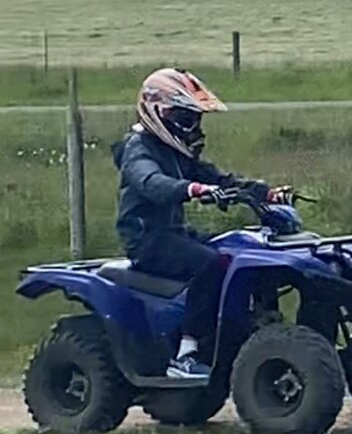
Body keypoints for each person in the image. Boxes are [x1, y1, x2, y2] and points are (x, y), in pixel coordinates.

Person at [113, 68, 288, 381]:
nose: (193, 128)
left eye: (195, 119)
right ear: (160, 114)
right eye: (186, 119)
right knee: (211, 264)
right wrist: (192, 189)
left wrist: (265, 192)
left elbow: (220, 178)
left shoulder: (177, 153)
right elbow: (150, 182)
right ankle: (186, 354)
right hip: (147, 240)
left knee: (239, 251)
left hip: (175, 235)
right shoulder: (137, 149)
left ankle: (247, 329)